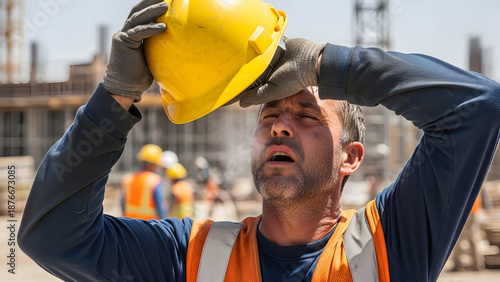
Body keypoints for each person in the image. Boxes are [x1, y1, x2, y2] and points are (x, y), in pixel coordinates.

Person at [18, 0, 500, 281]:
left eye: (307, 114)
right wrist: (115, 97)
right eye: (269, 115)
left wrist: (329, 66)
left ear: (351, 157)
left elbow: (476, 106)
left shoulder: (390, 243)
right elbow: (51, 235)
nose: (279, 125)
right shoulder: (190, 257)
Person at [121, 144, 166, 220]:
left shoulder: (128, 179)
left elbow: (122, 204)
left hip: (128, 224)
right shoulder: (155, 180)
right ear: (154, 164)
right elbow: (160, 207)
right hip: (148, 225)